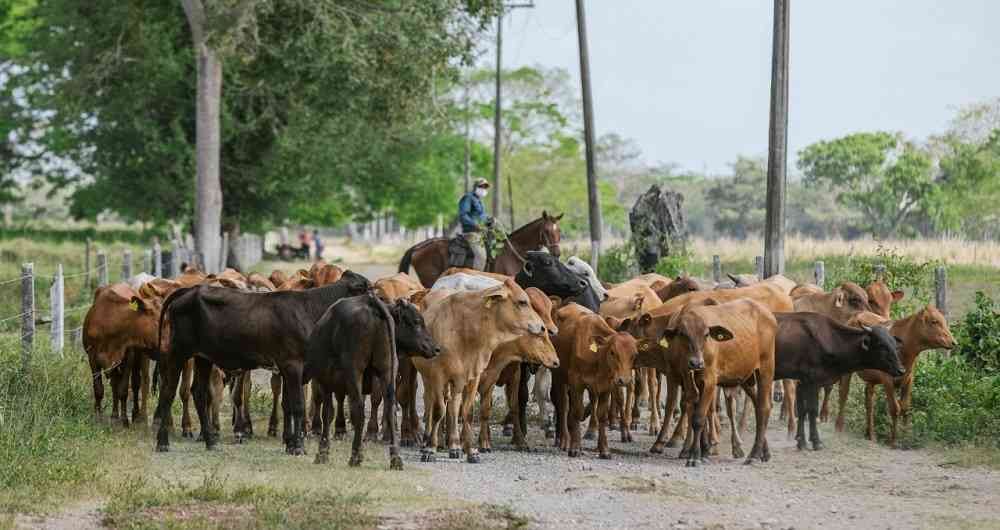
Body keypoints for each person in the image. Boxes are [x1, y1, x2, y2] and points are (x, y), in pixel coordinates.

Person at [458, 178, 493, 270]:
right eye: (481, 186)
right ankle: (475, 278)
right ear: (475, 187)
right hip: (471, 233)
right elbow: (463, 215)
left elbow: (482, 217)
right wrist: (475, 225)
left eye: (485, 187)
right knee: (481, 257)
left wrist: (490, 220)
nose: (483, 189)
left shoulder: (480, 201)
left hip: (481, 233)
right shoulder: (468, 198)